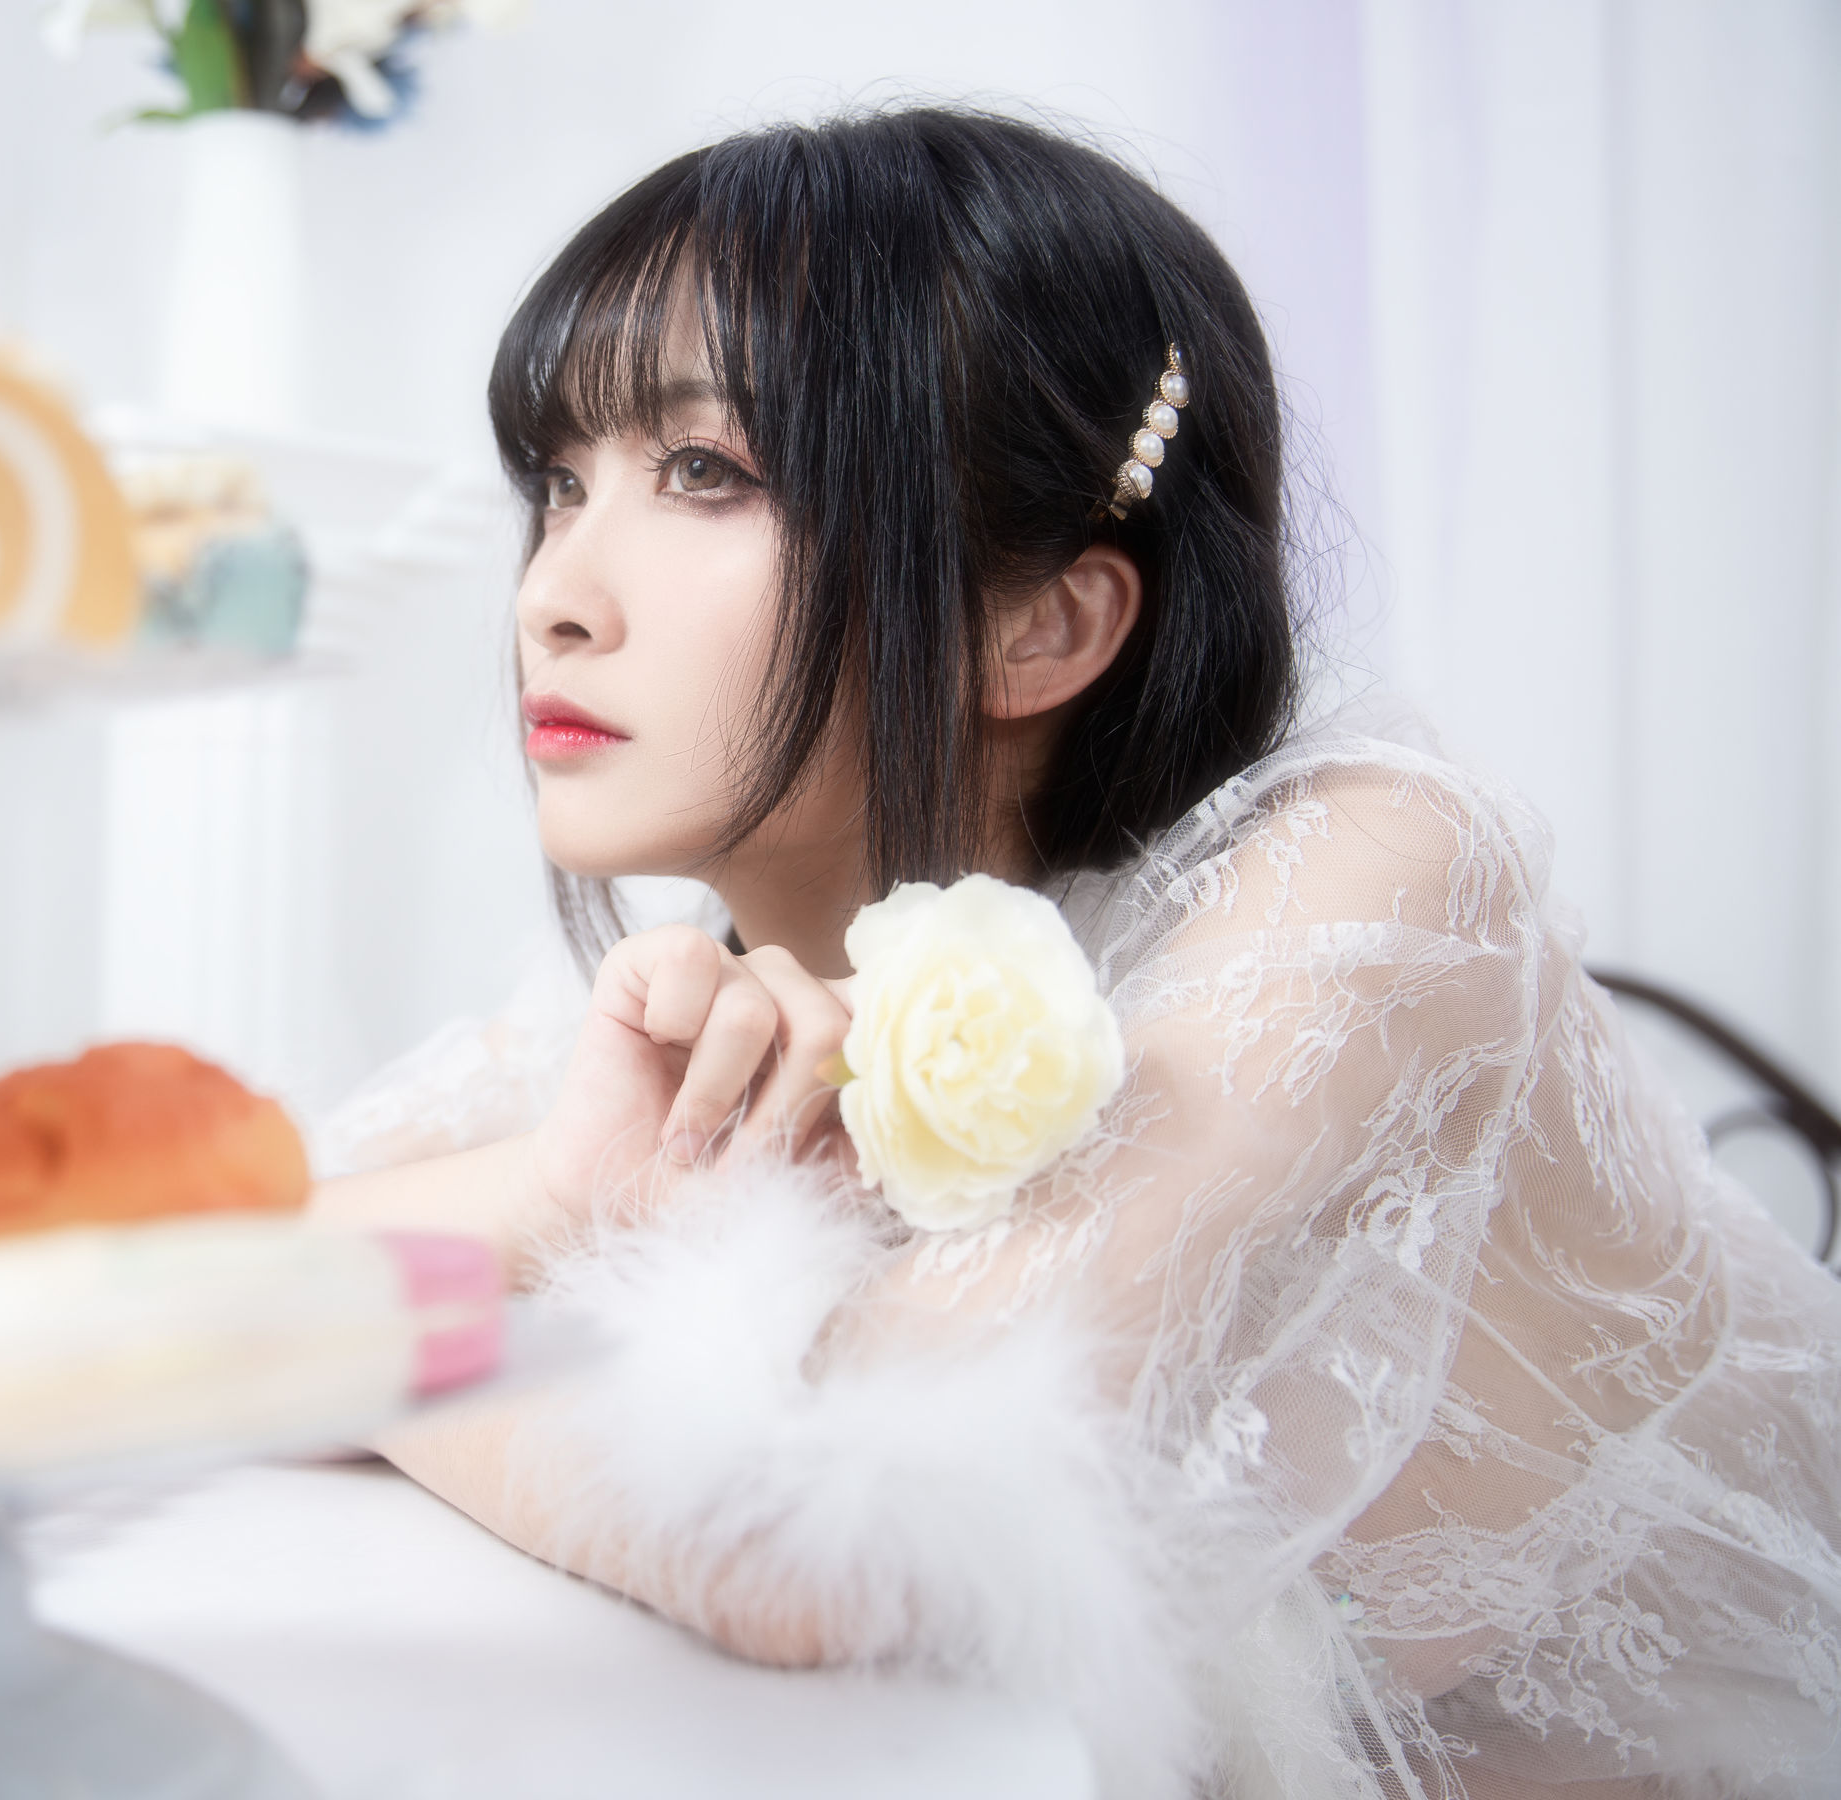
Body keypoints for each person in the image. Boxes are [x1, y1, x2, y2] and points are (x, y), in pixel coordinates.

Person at [305, 109, 1841, 1800]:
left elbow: (845, 1541)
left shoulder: (1382, 871)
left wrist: (366, 1350)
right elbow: (134, 1300)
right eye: (558, 483)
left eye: (705, 473)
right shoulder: (709, 991)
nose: (553, 594)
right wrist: (561, 1190)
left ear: (1044, 622)